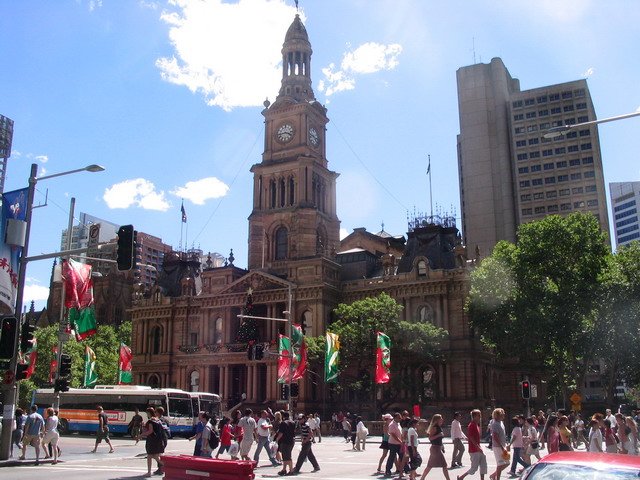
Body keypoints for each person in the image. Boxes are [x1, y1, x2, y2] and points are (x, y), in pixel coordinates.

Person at [457, 409, 487, 480]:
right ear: (474, 416)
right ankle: (461, 477)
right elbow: (471, 437)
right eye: (478, 415)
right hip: (474, 450)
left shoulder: (476, 425)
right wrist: (477, 447)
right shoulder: (471, 425)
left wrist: (479, 447)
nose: (480, 417)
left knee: (483, 464)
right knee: (474, 468)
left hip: (478, 449)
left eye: (480, 415)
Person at [420, 414, 450, 480]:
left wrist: (442, 446)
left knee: (430, 465)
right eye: (441, 418)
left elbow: (439, 440)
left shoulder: (438, 427)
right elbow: (430, 438)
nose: (442, 420)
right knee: (444, 465)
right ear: (437, 420)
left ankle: (422, 478)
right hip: (435, 449)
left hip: (437, 448)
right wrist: (439, 435)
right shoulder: (434, 427)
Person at [141, 407, 164, 476]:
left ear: (148, 413)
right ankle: (168, 467)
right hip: (158, 440)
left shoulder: (151, 421)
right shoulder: (157, 420)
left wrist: (142, 434)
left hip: (152, 440)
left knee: (150, 456)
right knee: (155, 456)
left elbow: (150, 431)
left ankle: (149, 472)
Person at [489, 408, 509, 480]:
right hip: (497, 447)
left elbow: (503, 435)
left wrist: (506, 445)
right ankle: (497, 478)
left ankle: (493, 475)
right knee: (500, 464)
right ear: (497, 416)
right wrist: (502, 447)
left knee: (507, 462)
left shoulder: (501, 423)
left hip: (503, 445)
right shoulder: (495, 424)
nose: (503, 416)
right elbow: (495, 437)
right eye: (501, 415)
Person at [275, 411, 296, 476]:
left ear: (283, 416)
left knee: (287, 456)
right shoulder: (293, 422)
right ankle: (284, 469)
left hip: (285, 441)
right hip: (291, 440)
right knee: (285, 456)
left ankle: (291, 470)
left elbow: (281, 433)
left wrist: (277, 439)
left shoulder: (283, 423)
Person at [385, 412, 403, 477]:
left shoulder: (398, 424)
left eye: (400, 418)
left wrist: (402, 440)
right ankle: (388, 470)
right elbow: (393, 434)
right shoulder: (392, 424)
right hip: (393, 443)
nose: (400, 419)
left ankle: (405, 469)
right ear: (395, 418)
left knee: (402, 456)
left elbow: (400, 433)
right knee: (392, 457)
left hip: (398, 443)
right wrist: (399, 441)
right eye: (399, 418)